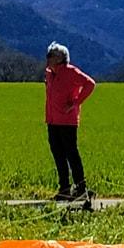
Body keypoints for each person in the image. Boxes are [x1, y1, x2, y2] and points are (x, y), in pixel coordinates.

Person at [42, 41, 95, 202]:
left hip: (67, 121)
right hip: (52, 120)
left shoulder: (71, 72)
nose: (47, 58)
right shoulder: (49, 73)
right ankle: (64, 188)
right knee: (58, 155)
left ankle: (81, 188)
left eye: (51, 55)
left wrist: (75, 103)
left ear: (60, 58)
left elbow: (90, 84)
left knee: (71, 154)